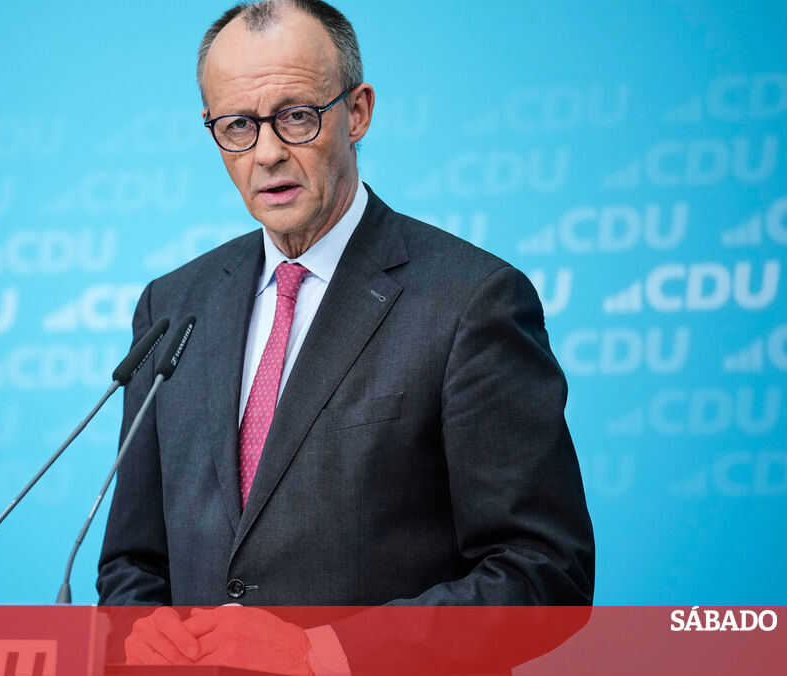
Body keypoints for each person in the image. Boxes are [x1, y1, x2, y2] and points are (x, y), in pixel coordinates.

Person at [96, 0, 595, 671]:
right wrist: (141, 627)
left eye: (297, 116)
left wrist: (323, 652)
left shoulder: (471, 301)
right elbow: (132, 561)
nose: (267, 152)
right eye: (238, 125)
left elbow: (543, 574)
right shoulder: (174, 304)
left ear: (357, 112)